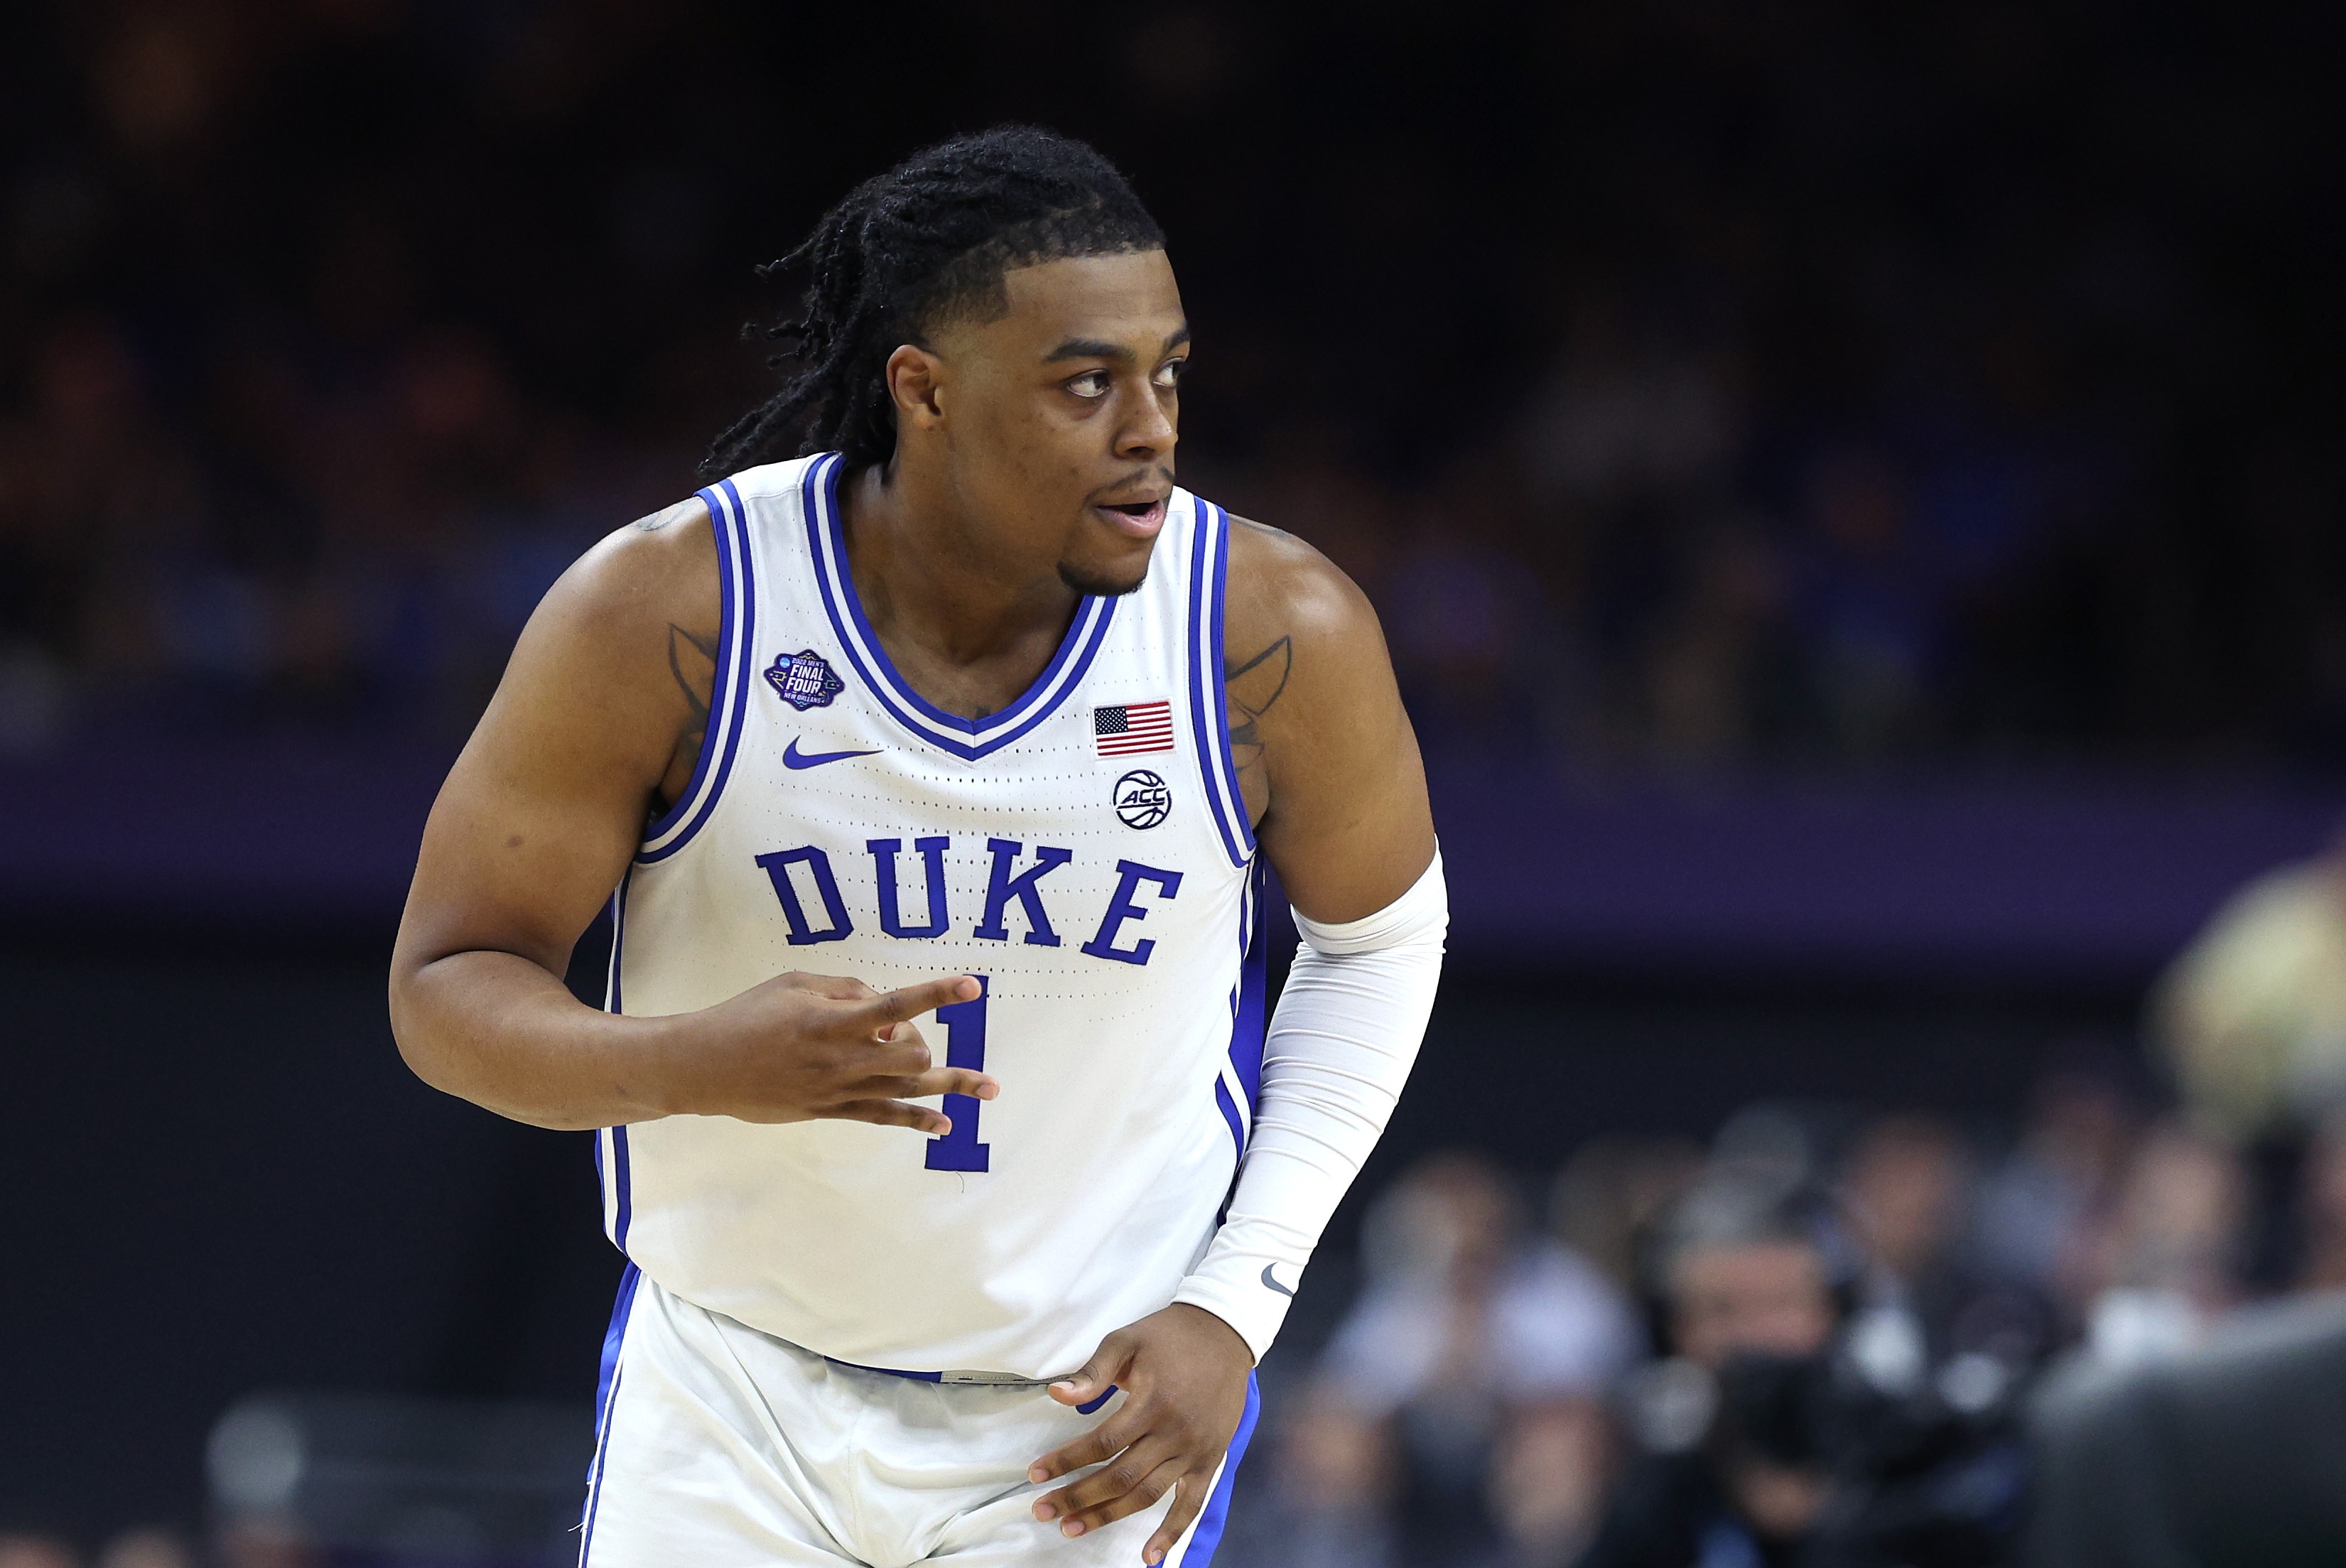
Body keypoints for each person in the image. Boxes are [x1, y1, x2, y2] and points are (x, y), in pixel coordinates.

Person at [387, 127, 1444, 1568]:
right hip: (733, 1393)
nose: (1151, 429)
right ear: (925, 388)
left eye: (1168, 374)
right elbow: (449, 984)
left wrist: (1235, 1307)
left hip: (1087, 1416)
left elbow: (1377, 943)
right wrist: (695, 1063)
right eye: (1088, 384)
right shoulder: (667, 611)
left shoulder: (1270, 627)